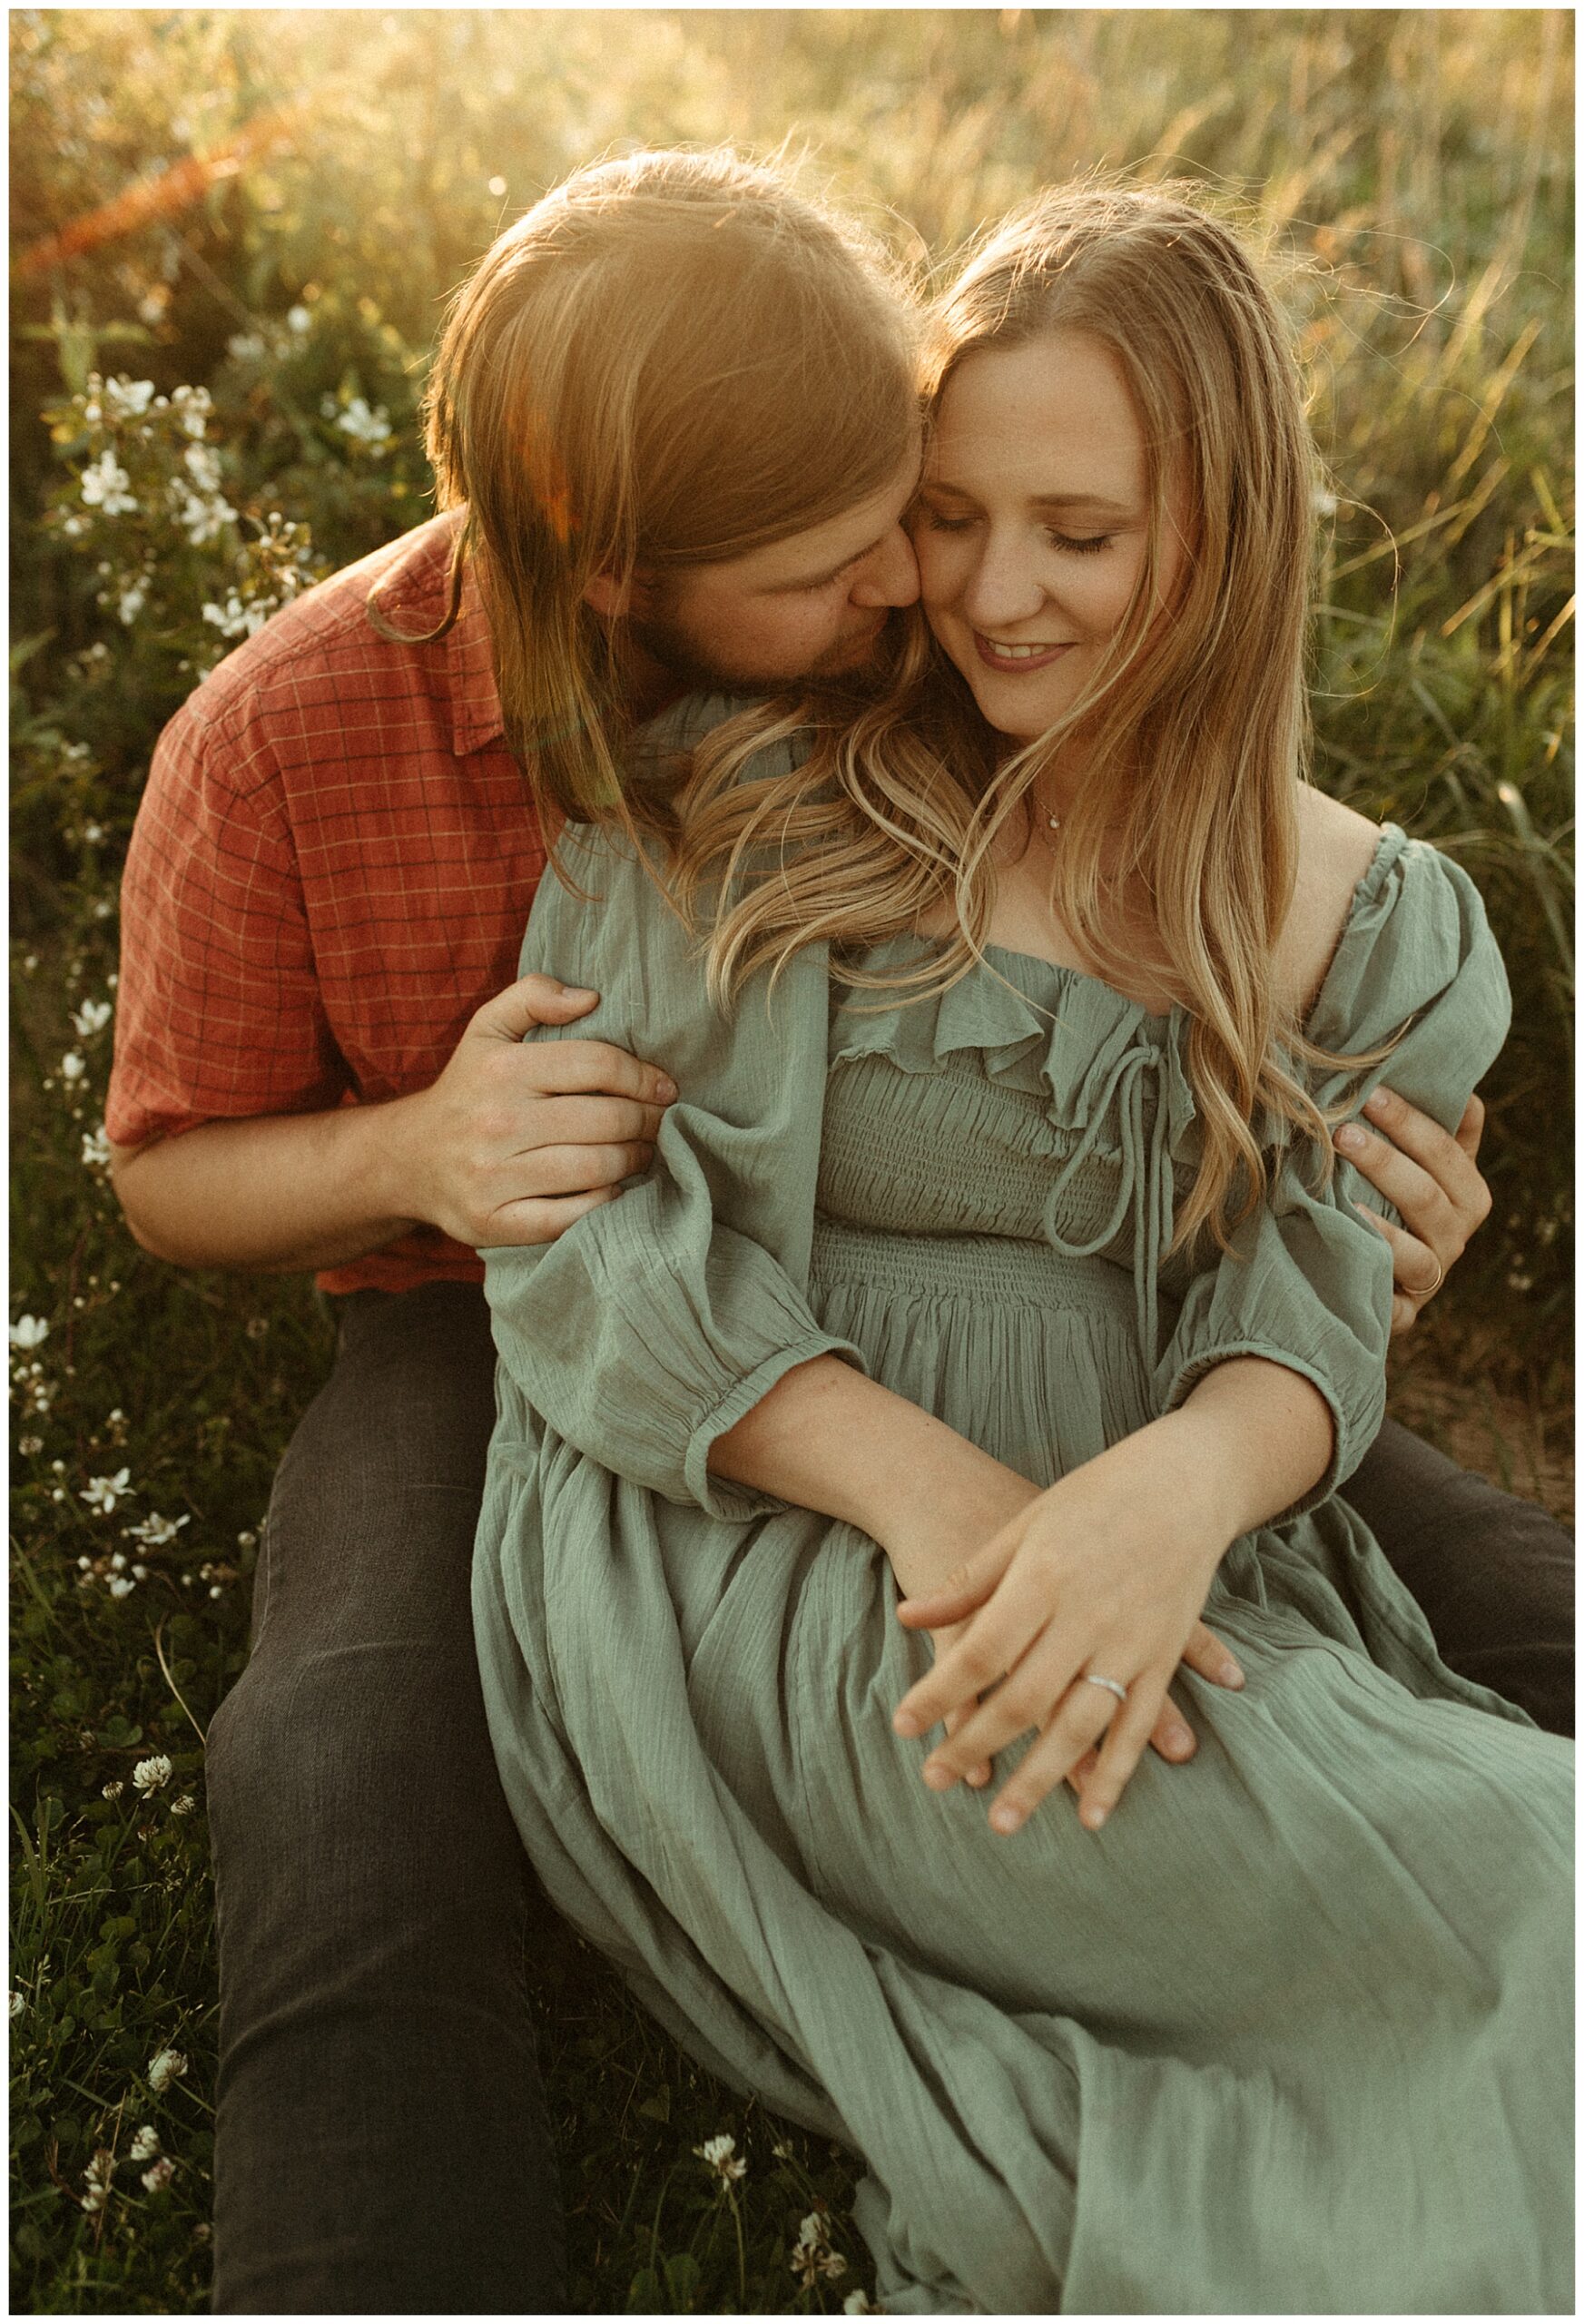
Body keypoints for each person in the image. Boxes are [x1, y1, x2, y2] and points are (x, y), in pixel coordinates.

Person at [103, 148, 1566, 2309]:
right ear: (629, 579)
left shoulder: (1239, 850)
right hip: (599, 1371)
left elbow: (1299, 1269)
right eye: (886, 541)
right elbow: (191, 1170)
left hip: (1114, 1391)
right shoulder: (415, 747)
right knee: (345, 1759)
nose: (935, 589)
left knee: (1516, 1630)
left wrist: (1224, 1422)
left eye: (1008, 518)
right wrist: (423, 1147)